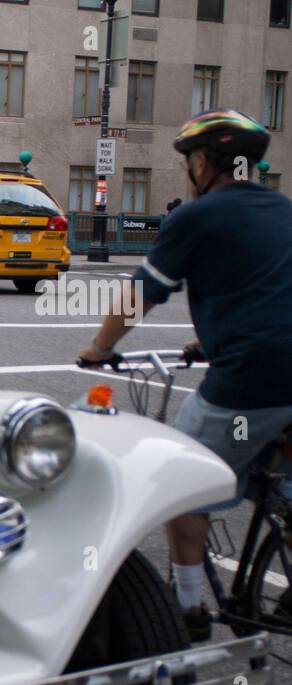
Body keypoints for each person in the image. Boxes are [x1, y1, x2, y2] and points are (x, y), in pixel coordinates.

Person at [77, 109, 292, 641]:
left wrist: (100, 347)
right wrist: (210, 340)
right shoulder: (284, 211)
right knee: (282, 484)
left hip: (252, 378)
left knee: (184, 474)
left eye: (188, 162)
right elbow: (264, 289)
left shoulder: (196, 218)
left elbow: (142, 294)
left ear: (201, 162)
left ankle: (188, 606)